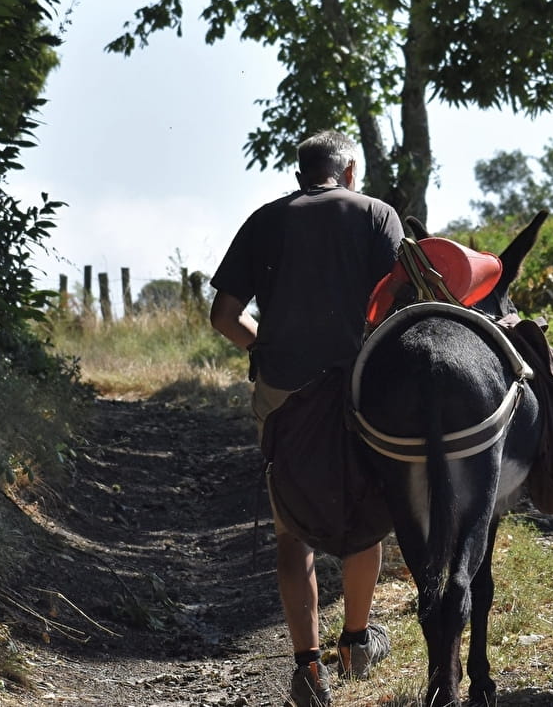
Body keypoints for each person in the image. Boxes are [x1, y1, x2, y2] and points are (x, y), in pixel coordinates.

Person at [209, 130, 404, 707]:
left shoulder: (265, 220)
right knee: (364, 511)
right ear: (348, 173)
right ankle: (356, 642)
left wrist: (264, 349)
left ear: (302, 176)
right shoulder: (376, 214)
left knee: (292, 528)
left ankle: (306, 671)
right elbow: (401, 303)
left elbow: (223, 315)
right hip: (357, 390)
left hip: (282, 391)